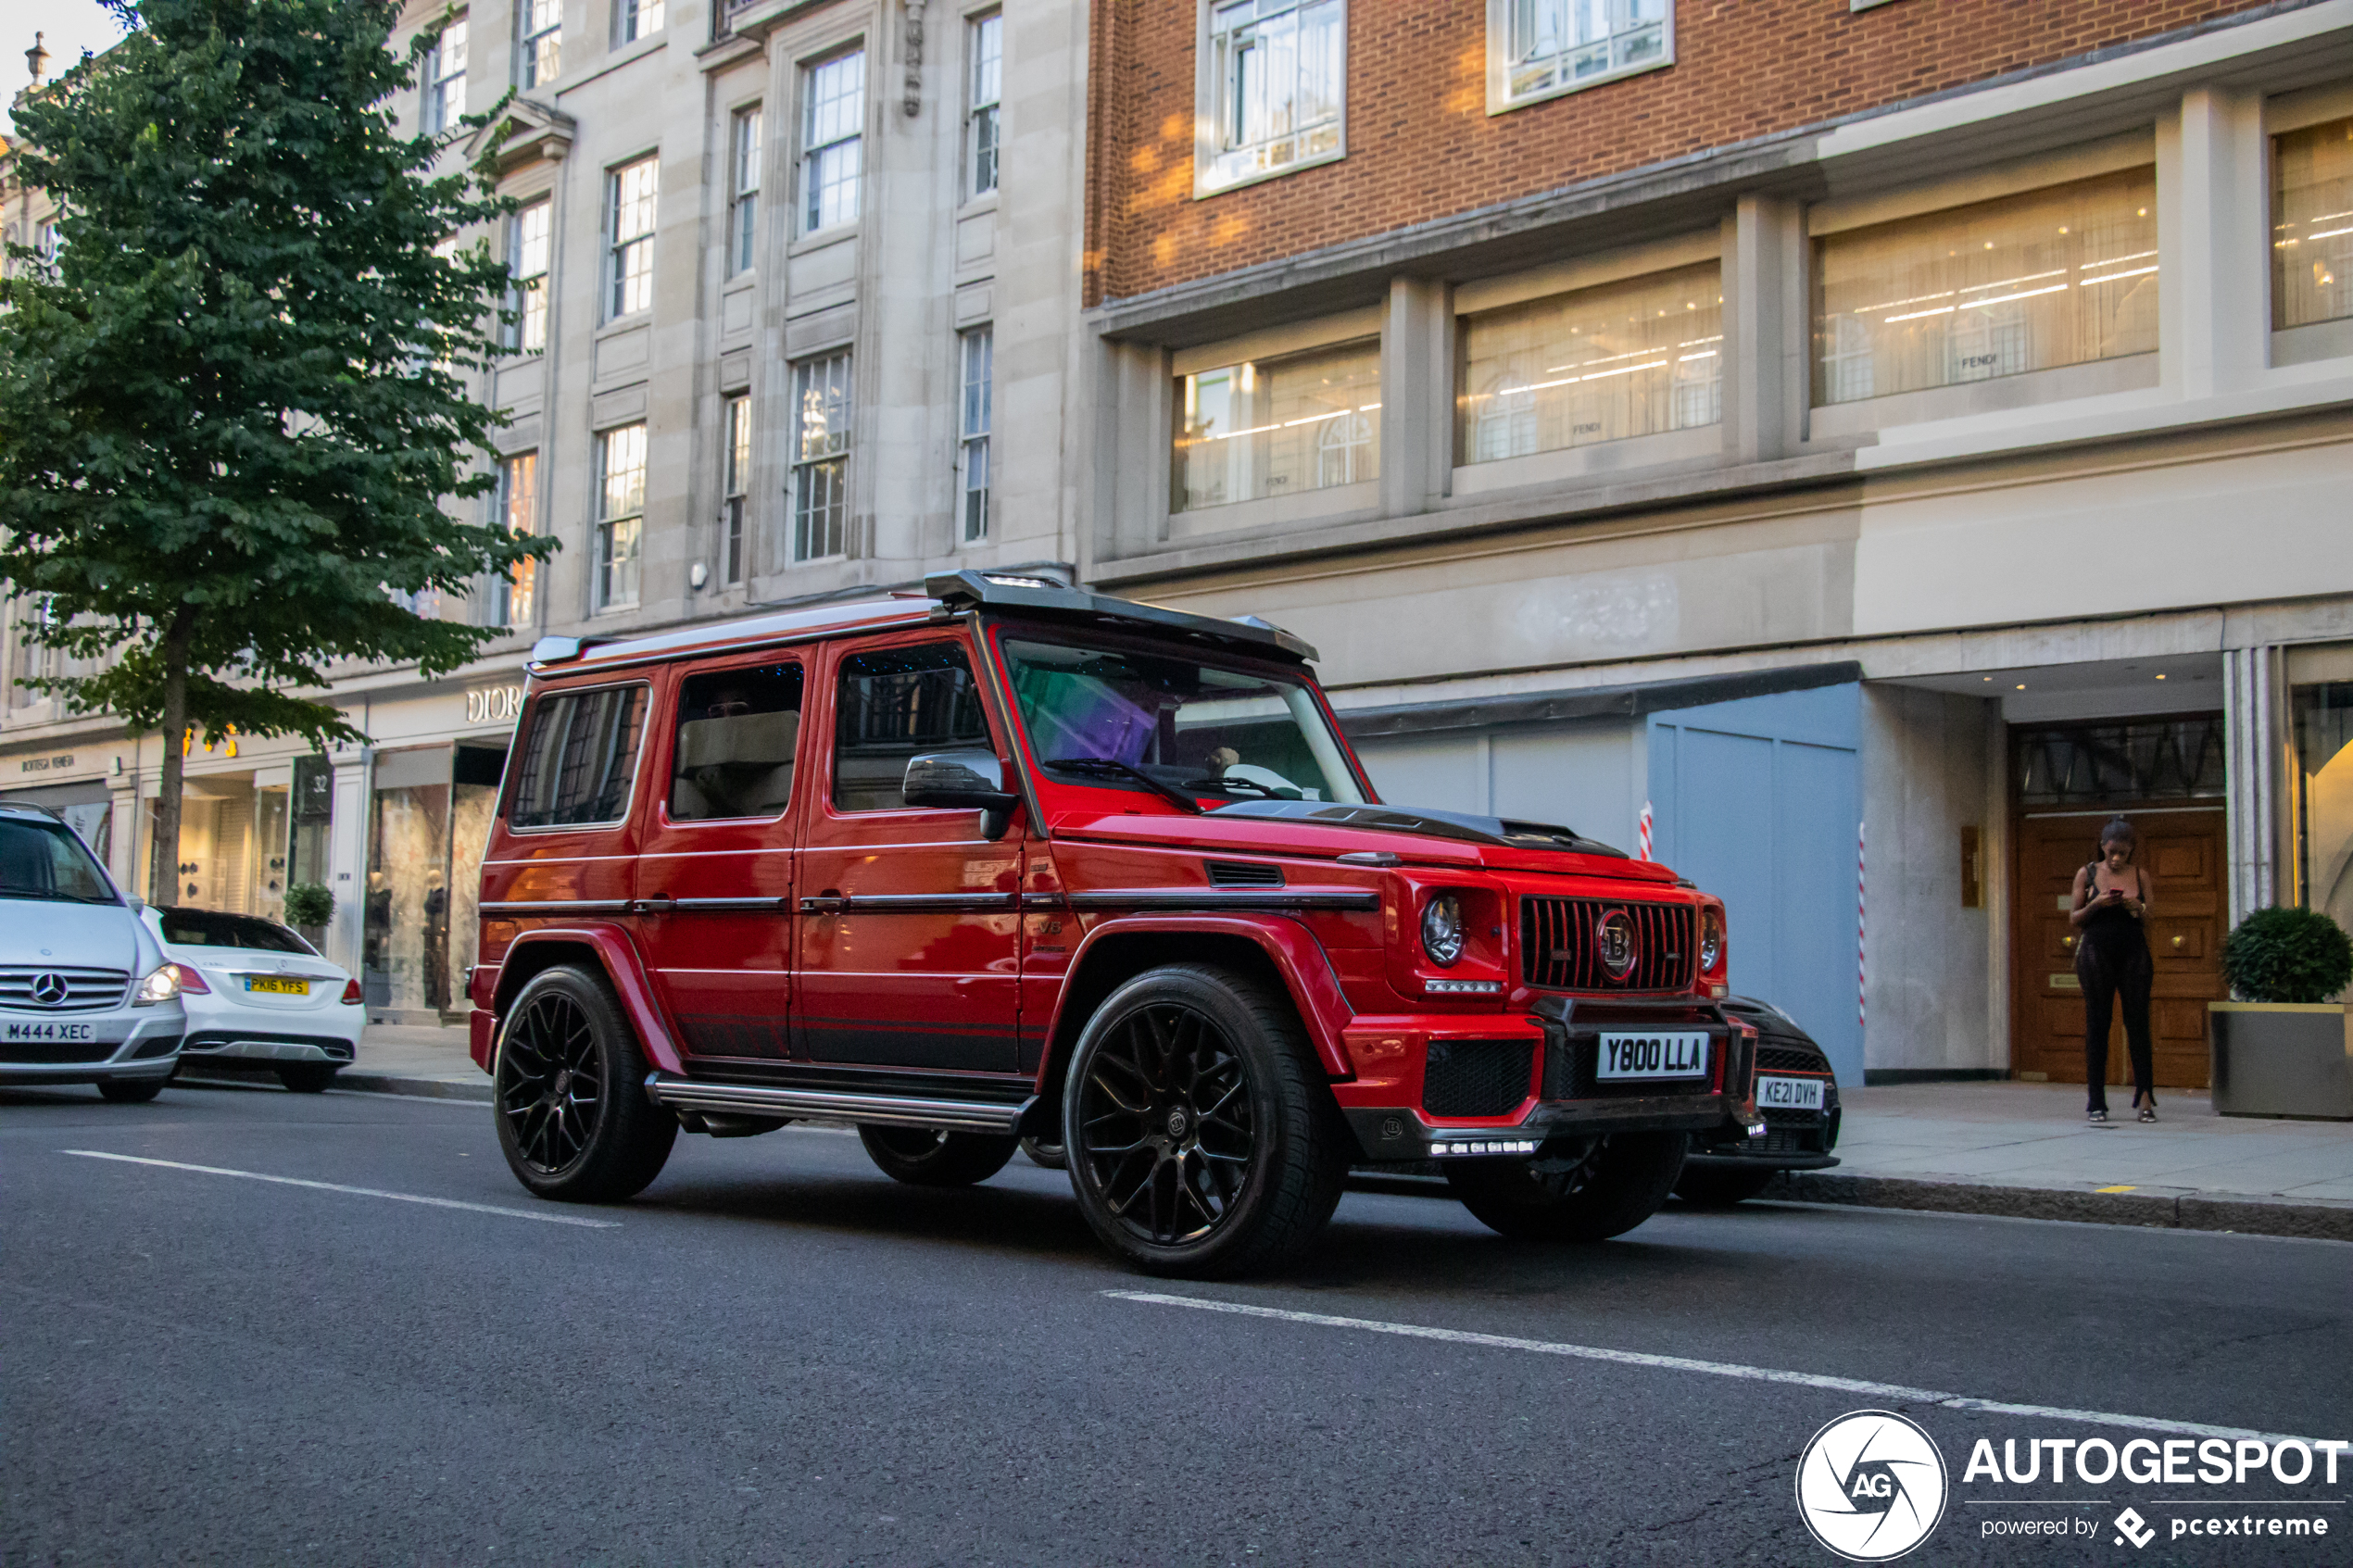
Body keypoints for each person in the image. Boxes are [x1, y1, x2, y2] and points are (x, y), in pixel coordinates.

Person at [2070, 817, 2156, 1124]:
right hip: (2096, 953)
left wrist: (2136, 907)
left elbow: (2151, 916)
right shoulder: (2088, 873)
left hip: (2134, 952)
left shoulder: (2140, 874)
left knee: (2138, 1023)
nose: (2117, 859)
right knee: (2098, 1023)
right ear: (2102, 847)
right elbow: (2074, 917)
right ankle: (2096, 1101)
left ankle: (2145, 1097)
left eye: (2123, 853)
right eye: (2112, 852)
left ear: (2132, 849)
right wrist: (2098, 904)